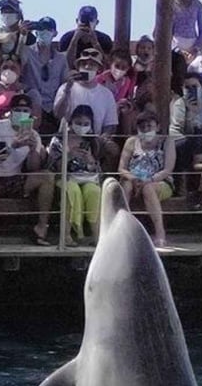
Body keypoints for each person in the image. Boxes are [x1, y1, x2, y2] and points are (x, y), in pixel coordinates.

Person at [0, 94, 56, 245]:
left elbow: (33, 168)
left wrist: (32, 149)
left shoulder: (34, 134)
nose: (21, 113)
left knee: (47, 176)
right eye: (18, 109)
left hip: (16, 178)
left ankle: (41, 227)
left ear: (30, 114)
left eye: (25, 110)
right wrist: (13, 146)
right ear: (10, 111)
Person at [116, 109, 175, 248]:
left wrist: (150, 179)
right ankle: (122, 229)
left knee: (148, 189)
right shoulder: (131, 142)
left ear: (158, 127)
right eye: (142, 127)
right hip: (133, 180)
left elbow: (168, 169)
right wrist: (134, 178)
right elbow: (121, 168)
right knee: (126, 185)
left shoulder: (167, 141)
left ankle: (160, 233)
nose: (146, 130)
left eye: (149, 126)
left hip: (159, 181)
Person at [54, 48, 120, 167]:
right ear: (78, 66)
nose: (87, 66)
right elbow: (58, 114)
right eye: (84, 63)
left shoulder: (106, 94)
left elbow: (111, 125)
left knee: (113, 149)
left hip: (95, 140)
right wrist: (67, 89)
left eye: (92, 64)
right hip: (68, 139)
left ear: (98, 69)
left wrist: (102, 139)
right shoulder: (65, 87)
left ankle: (103, 178)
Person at [50, 106, 104, 244]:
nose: (82, 127)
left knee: (94, 191)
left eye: (86, 124)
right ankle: (68, 234)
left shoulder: (92, 142)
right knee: (72, 190)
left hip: (87, 178)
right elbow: (51, 166)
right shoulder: (58, 140)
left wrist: (91, 161)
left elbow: (98, 172)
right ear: (71, 122)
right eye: (78, 123)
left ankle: (96, 234)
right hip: (64, 177)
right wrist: (68, 156)